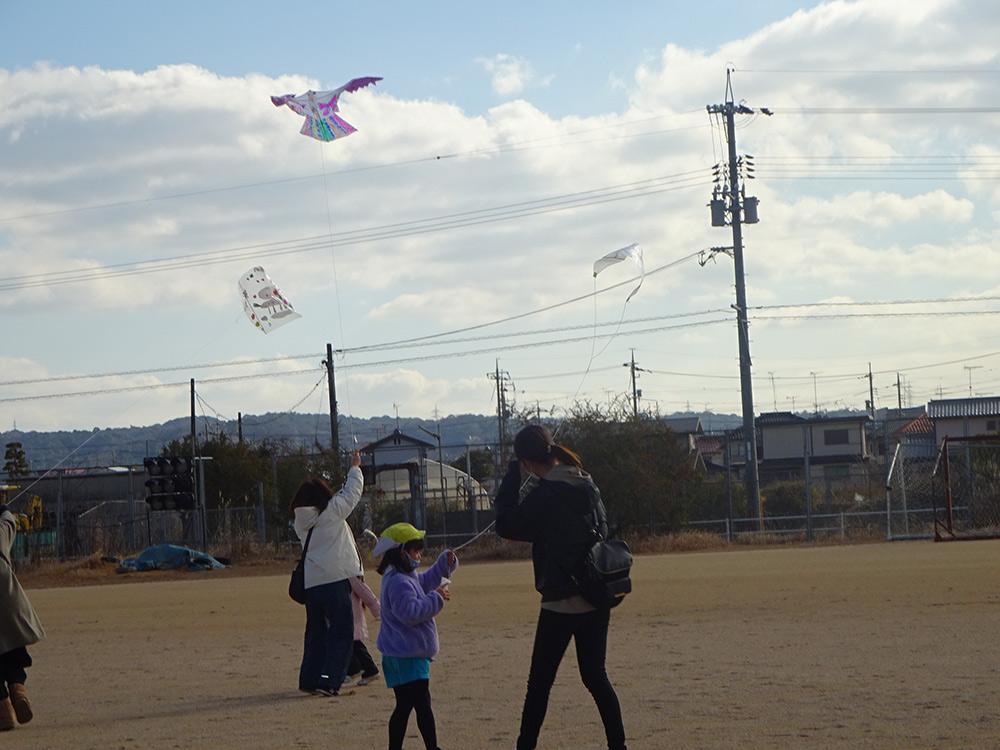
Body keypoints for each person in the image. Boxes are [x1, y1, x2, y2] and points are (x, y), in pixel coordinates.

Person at [494, 425, 627, 750]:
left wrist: (511, 480)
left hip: (560, 600)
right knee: (596, 677)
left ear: (525, 460)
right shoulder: (586, 482)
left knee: (538, 685)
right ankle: (618, 747)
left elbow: (507, 524)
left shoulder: (546, 495)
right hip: (597, 594)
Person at [373, 522, 458, 750]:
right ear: (402, 553)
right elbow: (411, 613)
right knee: (422, 704)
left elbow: (425, 580)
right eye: (415, 552)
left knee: (404, 706)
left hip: (397, 654)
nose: (419, 556)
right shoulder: (399, 582)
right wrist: (437, 598)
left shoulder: (401, 576)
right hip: (408, 654)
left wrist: (444, 563)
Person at [290, 452, 364, 697]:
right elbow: (352, 492)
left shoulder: (299, 522)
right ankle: (329, 681)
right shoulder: (331, 512)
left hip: (312, 585)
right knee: (341, 634)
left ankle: (310, 680)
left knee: (316, 636)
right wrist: (355, 466)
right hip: (336, 581)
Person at [0, 502, 45, 731]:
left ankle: (2, 709)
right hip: (7, 598)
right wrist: (4, 510)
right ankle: (18, 688)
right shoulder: (3, 529)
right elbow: (8, 521)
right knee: (13, 647)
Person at [346, 575, 381, 686]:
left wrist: (377, 610)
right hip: (343, 615)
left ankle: (368, 670)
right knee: (352, 645)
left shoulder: (350, 575)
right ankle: (356, 669)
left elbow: (365, 593)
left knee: (355, 645)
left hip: (352, 616)